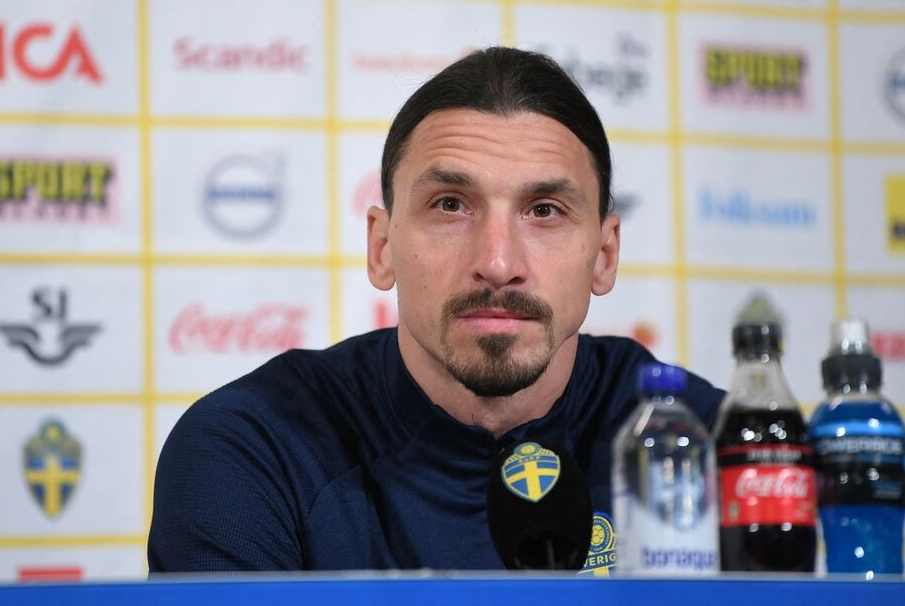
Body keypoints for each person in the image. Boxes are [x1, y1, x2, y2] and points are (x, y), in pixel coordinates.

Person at [148, 47, 724, 572]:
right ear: (382, 247)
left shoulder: (713, 445)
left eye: (544, 210)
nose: (498, 264)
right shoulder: (255, 450)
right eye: (450, 205)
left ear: (604, 255)